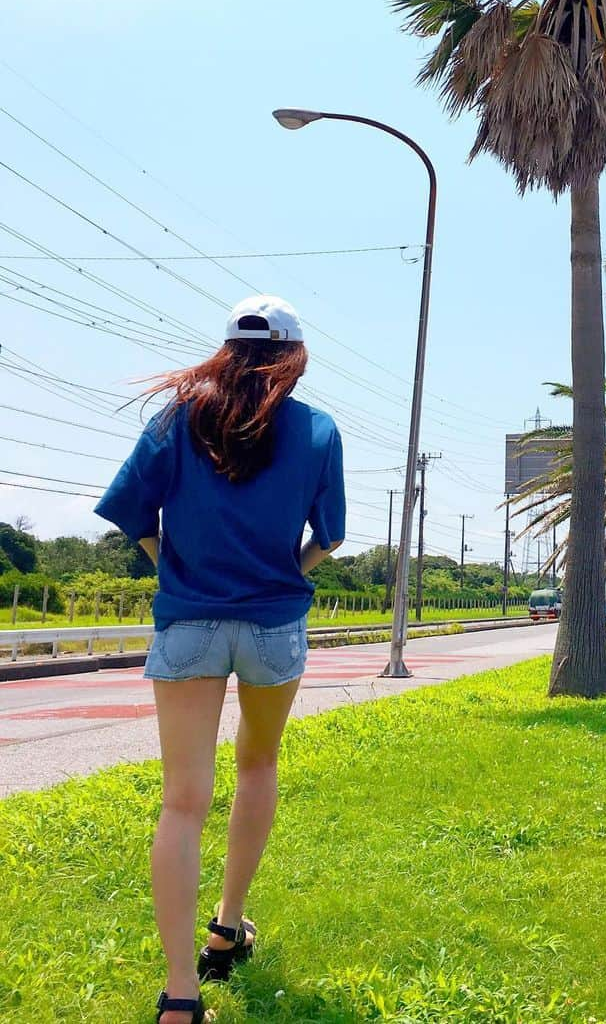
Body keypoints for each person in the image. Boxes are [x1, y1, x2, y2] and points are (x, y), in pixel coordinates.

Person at [95, 295, 345, 1024]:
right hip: (273, 626)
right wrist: (290, 571)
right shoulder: (319, 429)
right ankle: (227, 927)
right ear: (293, 357)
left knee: (182, 800)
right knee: (258, 764)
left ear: (227, 348)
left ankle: (180, 993)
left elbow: (133, 514)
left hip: (188, 621)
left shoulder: (176, 418)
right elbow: (327, 536)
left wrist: (170, 561)